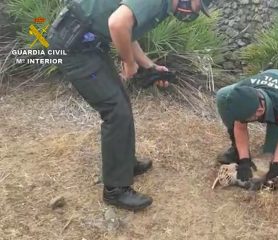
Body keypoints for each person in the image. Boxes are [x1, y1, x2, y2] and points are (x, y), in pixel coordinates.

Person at [47, 0, 213, 211]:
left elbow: (127, 32)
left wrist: (150, 66)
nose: (195, 12)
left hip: (88, 43)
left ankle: (125, 164)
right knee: (115, 110)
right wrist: (128, 62)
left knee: (120, 102)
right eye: (200, 5)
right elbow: (117, 24)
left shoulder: (160, 5)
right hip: (74, 45)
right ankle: (115, 190)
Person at [215, 69, 278, 189]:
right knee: (223, 95)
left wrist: (277, 166)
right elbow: (240, 127)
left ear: (259, 111)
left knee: (270, 157)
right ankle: (236, 149)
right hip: (269, 78)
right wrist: (244, 160)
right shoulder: (242, 91)